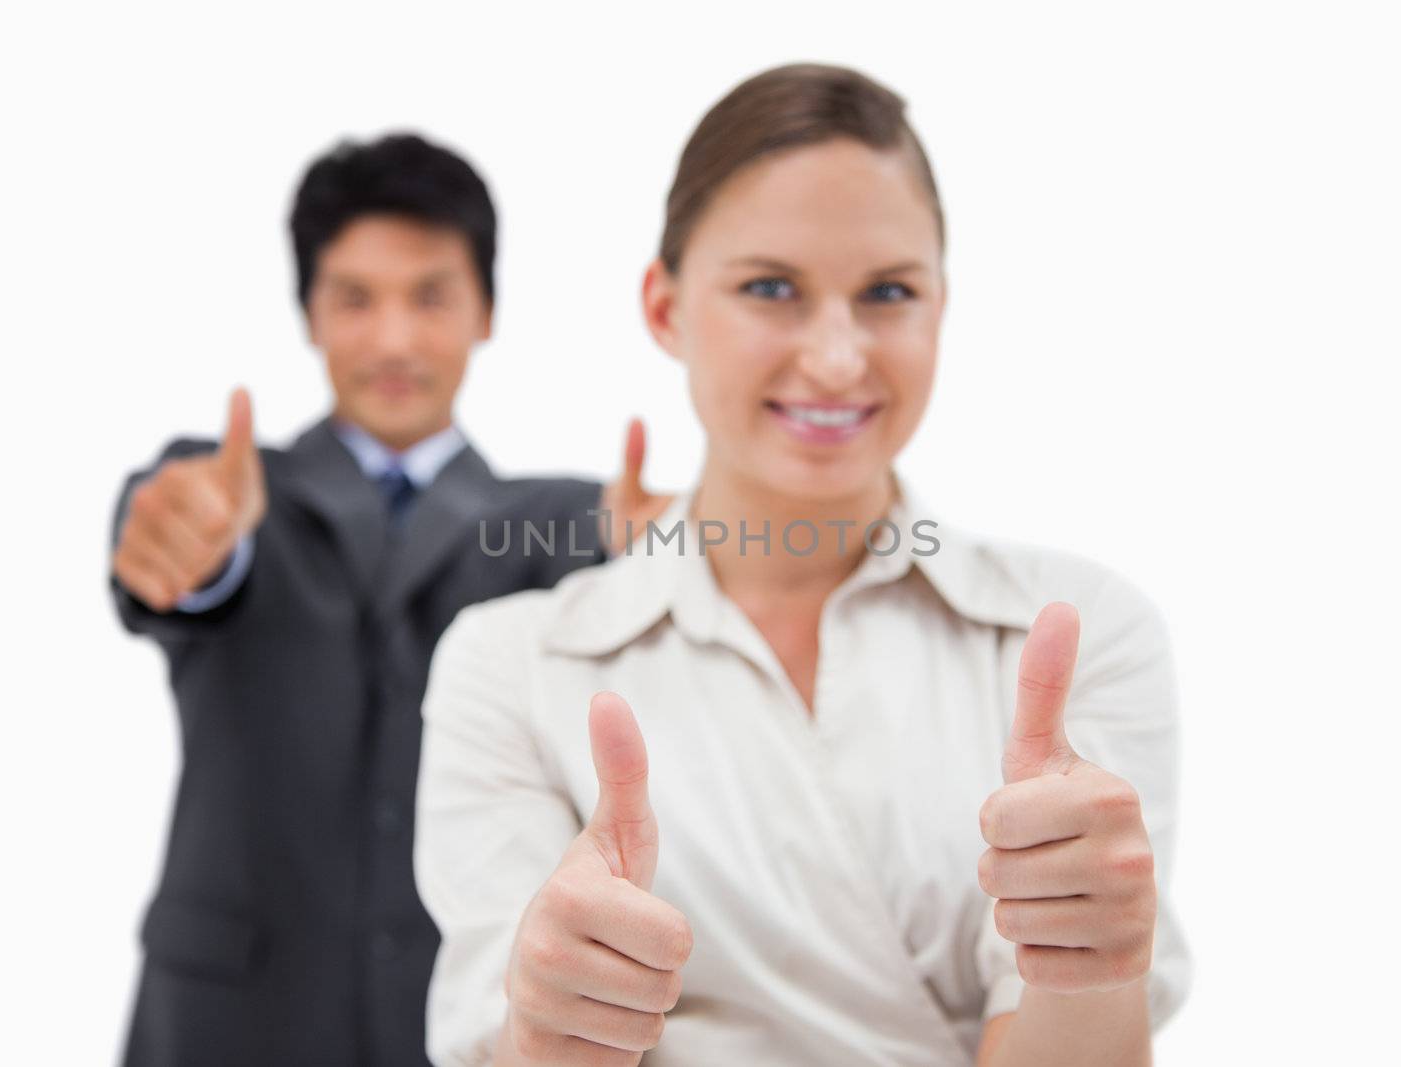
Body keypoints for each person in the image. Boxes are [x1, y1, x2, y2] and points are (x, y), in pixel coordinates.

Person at [413, 64, 1193, 1067]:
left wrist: (1091, 968)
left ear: (941, 308)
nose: (835, 357)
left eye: (888, 292)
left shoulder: (1075, 628)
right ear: (664, 307)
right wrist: (549, 1026)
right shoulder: (513, 664)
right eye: (769, 287)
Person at [108, 132, 664, 1067]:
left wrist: (683, 548)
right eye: (356, 298)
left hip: (460, 1018)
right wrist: (184, 544)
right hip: (228, 1022)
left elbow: (681, 574)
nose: (395, 339)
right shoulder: (228, 496)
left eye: (431, 295)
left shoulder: (566, 523)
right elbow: (174, 549)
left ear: (485, 310)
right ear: (310, 313)